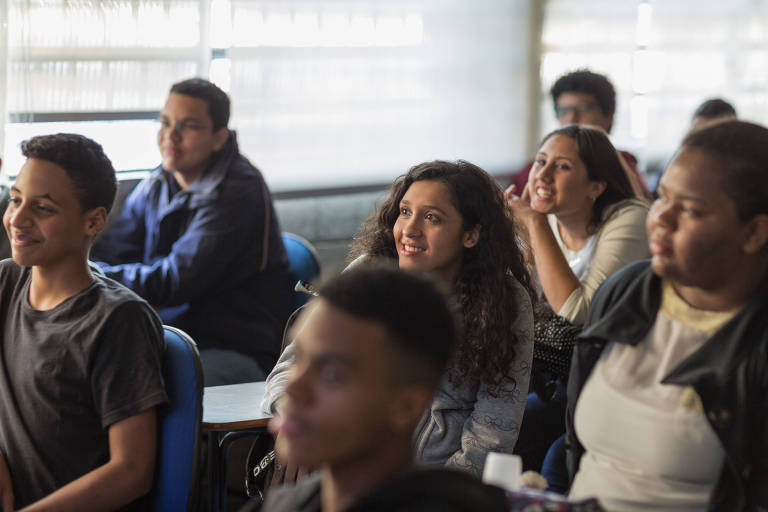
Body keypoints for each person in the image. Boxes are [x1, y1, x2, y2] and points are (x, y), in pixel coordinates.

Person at [263, 160, 536, 478]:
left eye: (432, 217)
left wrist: (429, 496)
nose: (409, 229)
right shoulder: (368, 274)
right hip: (342, 464)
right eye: (405, 212)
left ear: (471, 235)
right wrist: (301, 423)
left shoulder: (506, 300)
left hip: (438, 483)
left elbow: (493, 434)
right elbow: (285, 372)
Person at [565, 119, 768, 510]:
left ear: (755, 233)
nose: (660, 219)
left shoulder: (757, 342)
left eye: (690, 210)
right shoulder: (625, 291)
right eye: (661, 198)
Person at [248, 265, 509, 512]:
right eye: (300, 359)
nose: (293, 388)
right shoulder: (286, 504)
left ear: (406, 406)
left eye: (332, 374)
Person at [0, 134, 167, 510]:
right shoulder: (5, 282)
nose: (18, 219)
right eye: (15, 200)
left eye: (42, 208)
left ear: (93, 221)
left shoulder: (118, 320)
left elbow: (131, 471)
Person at [92, 77, 293, 385]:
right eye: (165, 122)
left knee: (123, 383)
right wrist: (89, 270)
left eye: (188, 126)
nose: (170, 136)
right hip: (174, 330)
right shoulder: (163, 177)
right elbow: (116, 246)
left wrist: (88, 275)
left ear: (219, 138)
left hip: (232, 343)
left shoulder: (238, 191)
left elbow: (175, 281)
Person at [505, 124, 650, 484]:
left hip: (613, 382)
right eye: (541, 161)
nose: (543, 174)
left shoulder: (629, 218)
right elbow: (516, 305)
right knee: (507, 430)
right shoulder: (546, 220)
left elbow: (579, 313)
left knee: (555, 459)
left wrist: (535, 224)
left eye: (563, 166)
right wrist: (516, 242)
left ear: (597, 186)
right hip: (559, 378)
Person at [502, 69, 649, 199]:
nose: (572, 119)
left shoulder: (622, 165)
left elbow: (642, 210)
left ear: (608, 115)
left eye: (584, 108)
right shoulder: (536, 169)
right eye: (563, 111)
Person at [649, 97, 737, 197]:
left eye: (709, 133)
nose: (701, 140)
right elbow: (654, 195)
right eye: (697, 130)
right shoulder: (677, 160)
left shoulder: (738, 168)